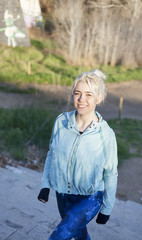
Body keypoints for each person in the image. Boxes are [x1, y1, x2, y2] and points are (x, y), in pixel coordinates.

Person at [38, 69, 118, 240]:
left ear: (99, 98)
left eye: (89, 95)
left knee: (60, 235)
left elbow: (110, 173)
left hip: (90, 198)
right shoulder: (61, 122)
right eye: (77, 93)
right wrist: (45, 186)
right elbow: (52, 155)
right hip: (63, 195)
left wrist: (107, 208)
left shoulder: (106, 135)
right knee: (79, 234)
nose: (82, 99)